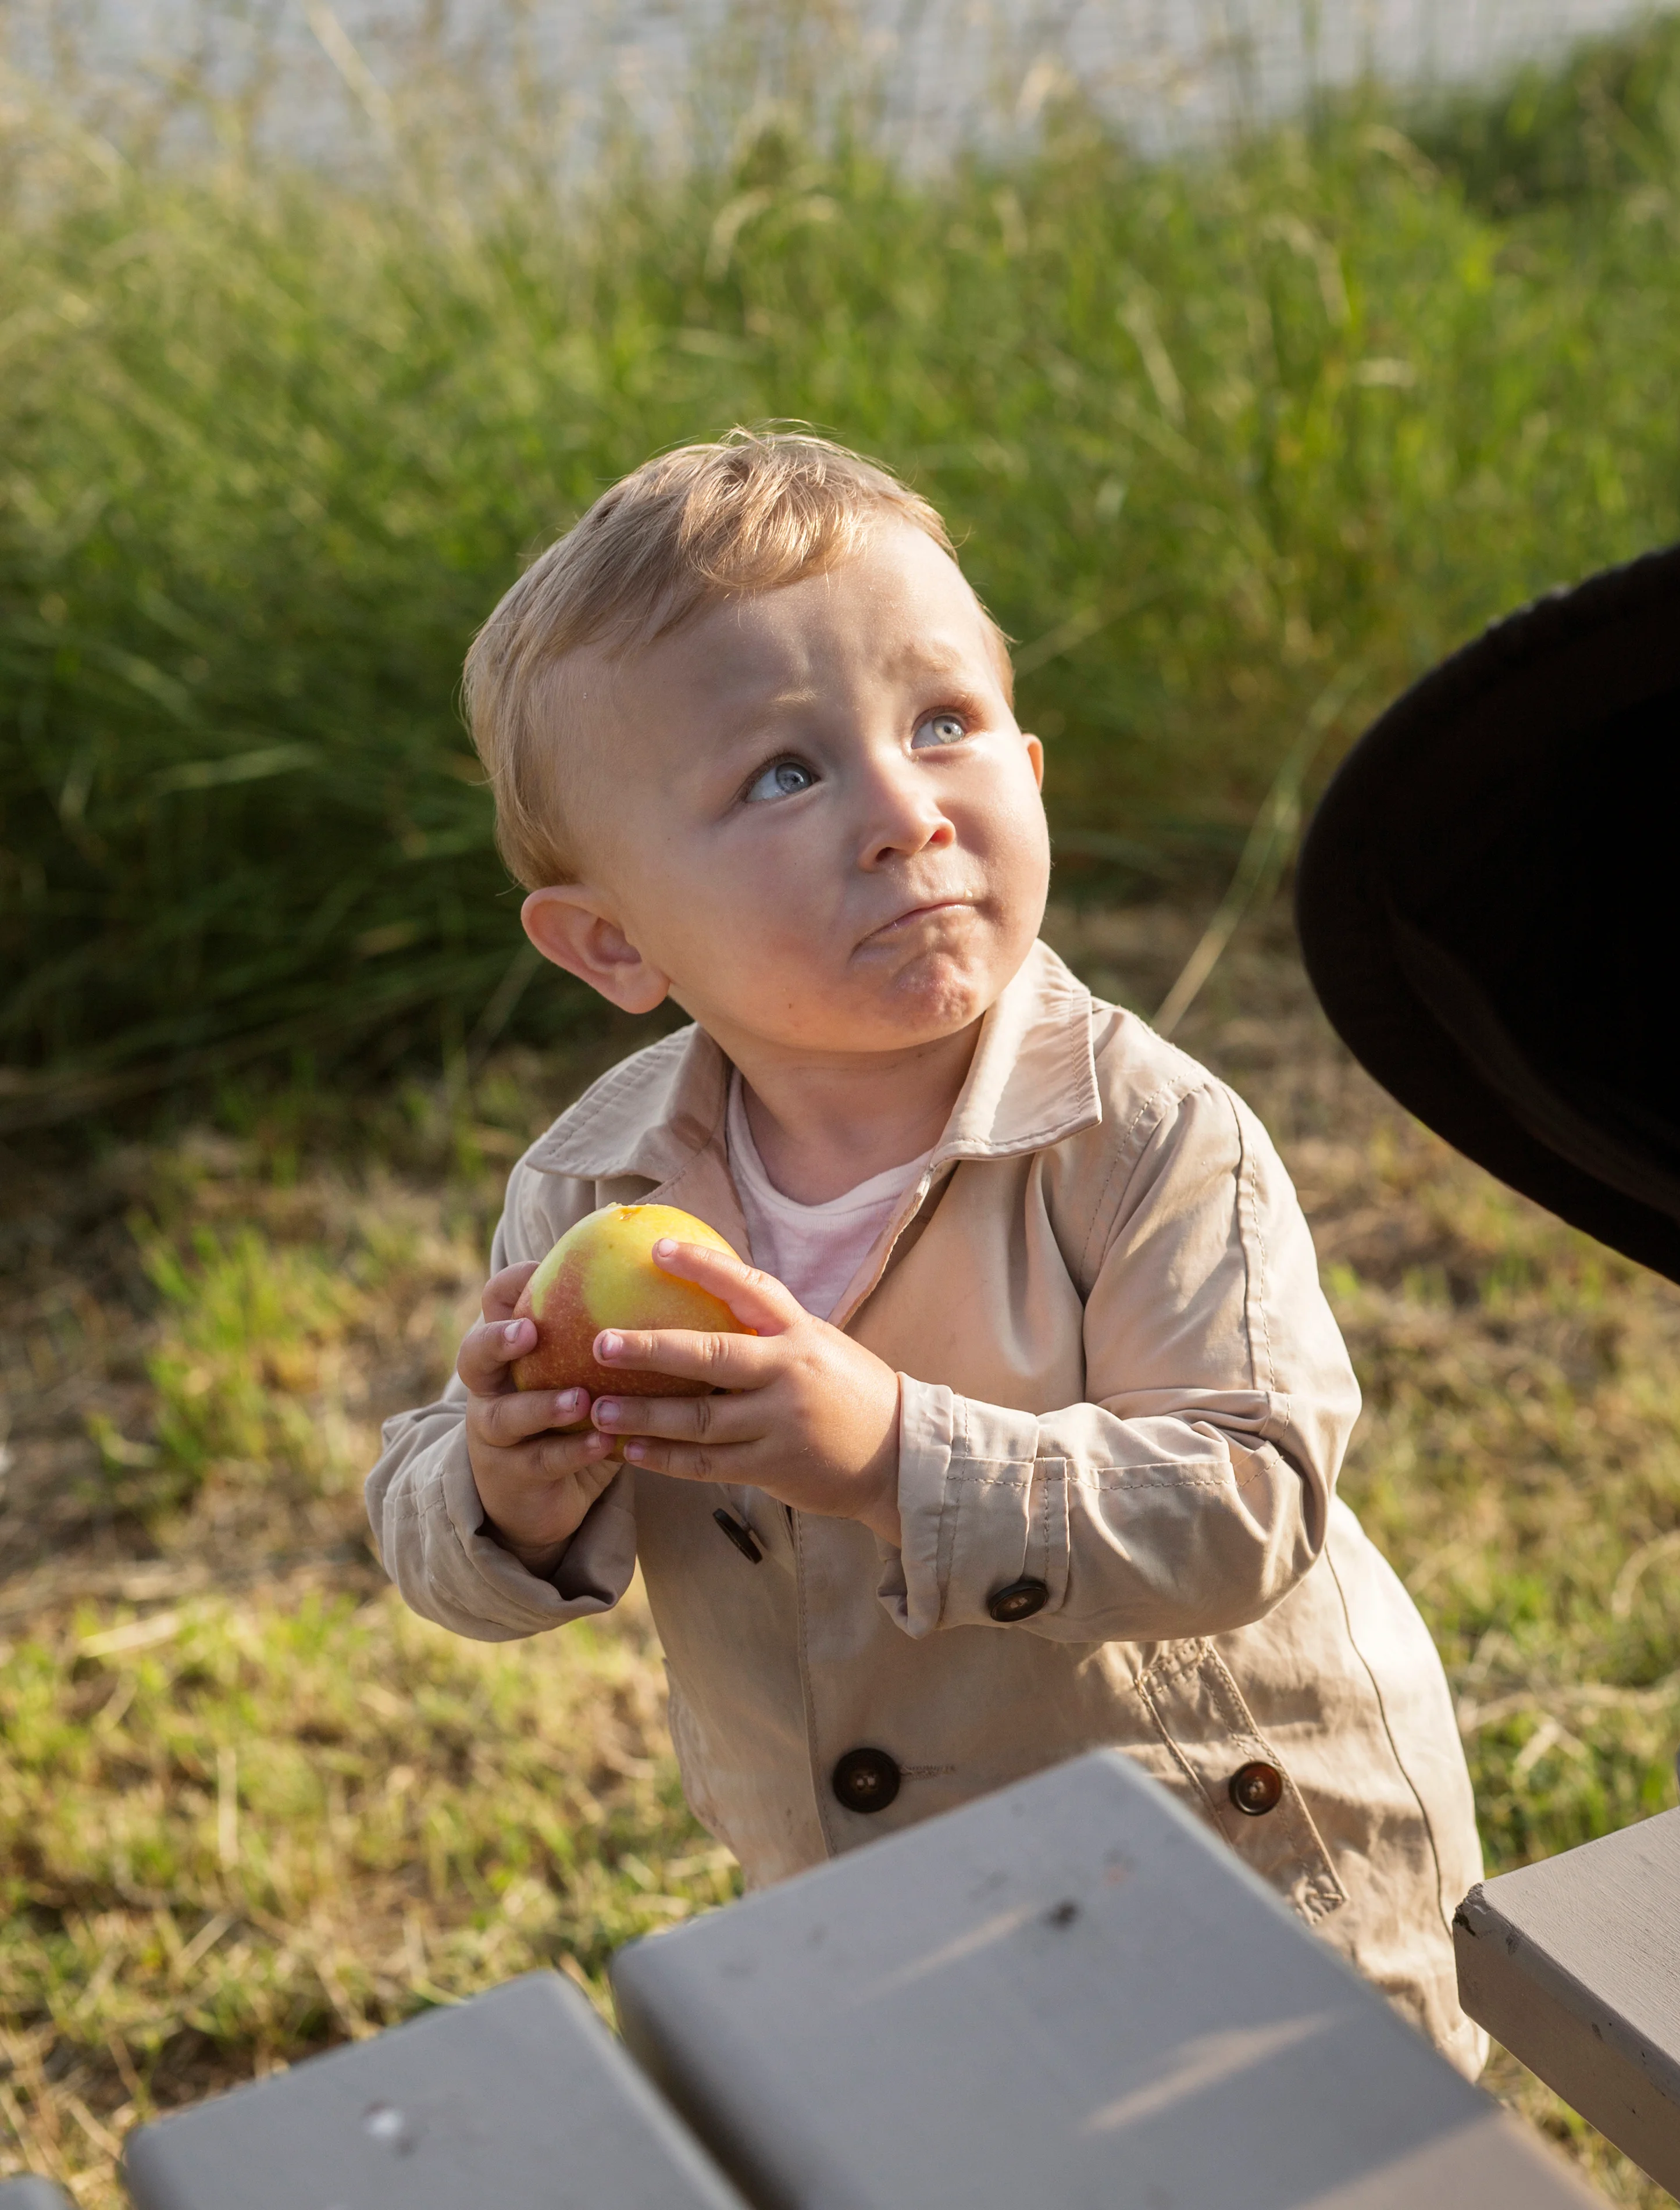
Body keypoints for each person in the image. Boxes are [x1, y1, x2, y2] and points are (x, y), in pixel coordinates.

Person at [363, 429, 1485, 2070]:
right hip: (888, 1925)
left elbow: (1252, 1500)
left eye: (942, 724)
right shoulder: (601, 1192)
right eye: (782, 775)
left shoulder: (1141, 1137)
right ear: (614, 944)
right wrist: (505, 1489)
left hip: (1237, 1898)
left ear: (1028, 775)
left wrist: (893, 1454)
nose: (904, 814)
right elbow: (424, 1518)